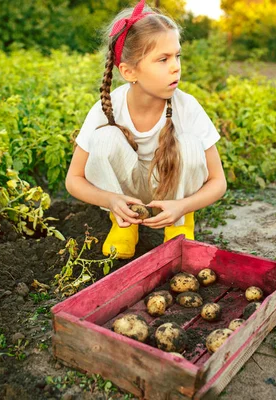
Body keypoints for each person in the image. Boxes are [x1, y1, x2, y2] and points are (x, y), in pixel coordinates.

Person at [65, 0, 227, 259]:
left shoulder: (187, 107)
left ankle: (179, 226)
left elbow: (218, 182)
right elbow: (73, 180)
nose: (175, 66)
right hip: (126, 195)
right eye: (162, 59)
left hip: (172, 194)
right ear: (129, 72)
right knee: (104, 138)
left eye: (177, 56)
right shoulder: (107, 108)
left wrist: (182, 206)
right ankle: (124, 224)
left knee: (188, 144)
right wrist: (110, 201)